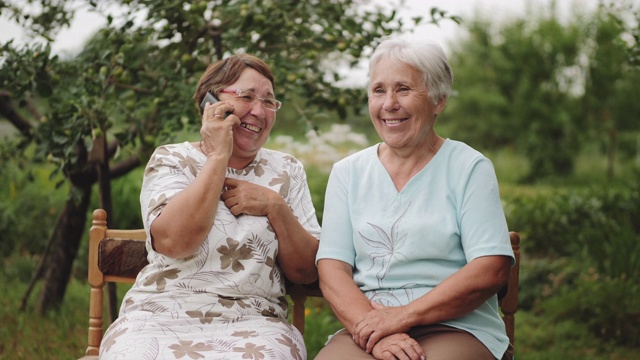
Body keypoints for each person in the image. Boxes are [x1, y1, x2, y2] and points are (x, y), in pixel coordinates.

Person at [100, 54, 321, 360]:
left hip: (256, 323)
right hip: (157, 314)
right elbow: (174, 242)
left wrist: (275, 206)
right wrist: (219, 157)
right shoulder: (171, 159)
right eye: (246, 97)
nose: (259, 111)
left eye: (269, 101)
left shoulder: (287, 170)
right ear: (211, 102)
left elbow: (306, 272)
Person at [315, 37, 515, 360]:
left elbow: (490, 268)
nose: (389, 104)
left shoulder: (469, 168)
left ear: (439, 100)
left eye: (404, 89)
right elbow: (332, 270)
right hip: (368, 327)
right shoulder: (347, 173)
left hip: (457, 326)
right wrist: (376, 333)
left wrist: (403, 316)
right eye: (379, 90)